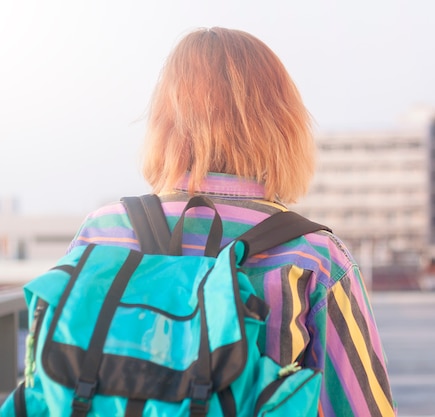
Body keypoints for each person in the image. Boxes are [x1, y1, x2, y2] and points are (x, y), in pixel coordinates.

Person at [68, 27, 396, 416]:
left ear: (164, 122)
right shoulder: (315, 257)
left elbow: (53, 380)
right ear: (281, 124)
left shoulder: (102, 234)